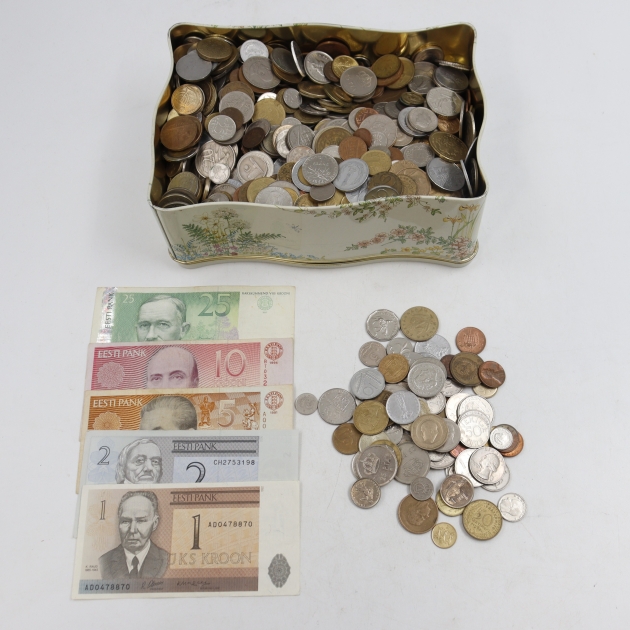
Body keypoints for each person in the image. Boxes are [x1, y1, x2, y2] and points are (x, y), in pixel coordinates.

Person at [98, 491, 169, 579]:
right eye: (125, 521)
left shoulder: (166, 560)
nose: (132, 530)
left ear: (155, 523)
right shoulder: (103, 562)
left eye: (141, 521)